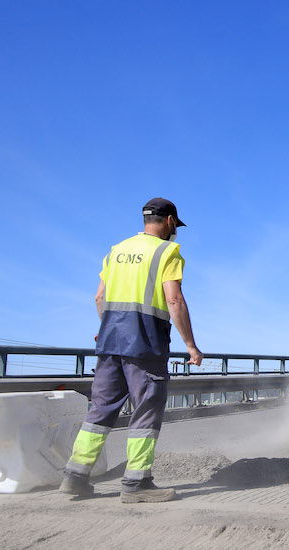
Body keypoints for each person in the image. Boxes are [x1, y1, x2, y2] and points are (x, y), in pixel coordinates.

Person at [58, 197, 203, 502]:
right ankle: (137, 484)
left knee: (101, 408)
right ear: (171, 221)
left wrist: (109, 326)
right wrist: (191, 345)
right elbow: (174, 300)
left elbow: (100, 298)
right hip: (145, 342)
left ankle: (75, 477)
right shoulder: (168, 251)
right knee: (146, 409)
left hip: (110, 341)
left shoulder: (115, 252)